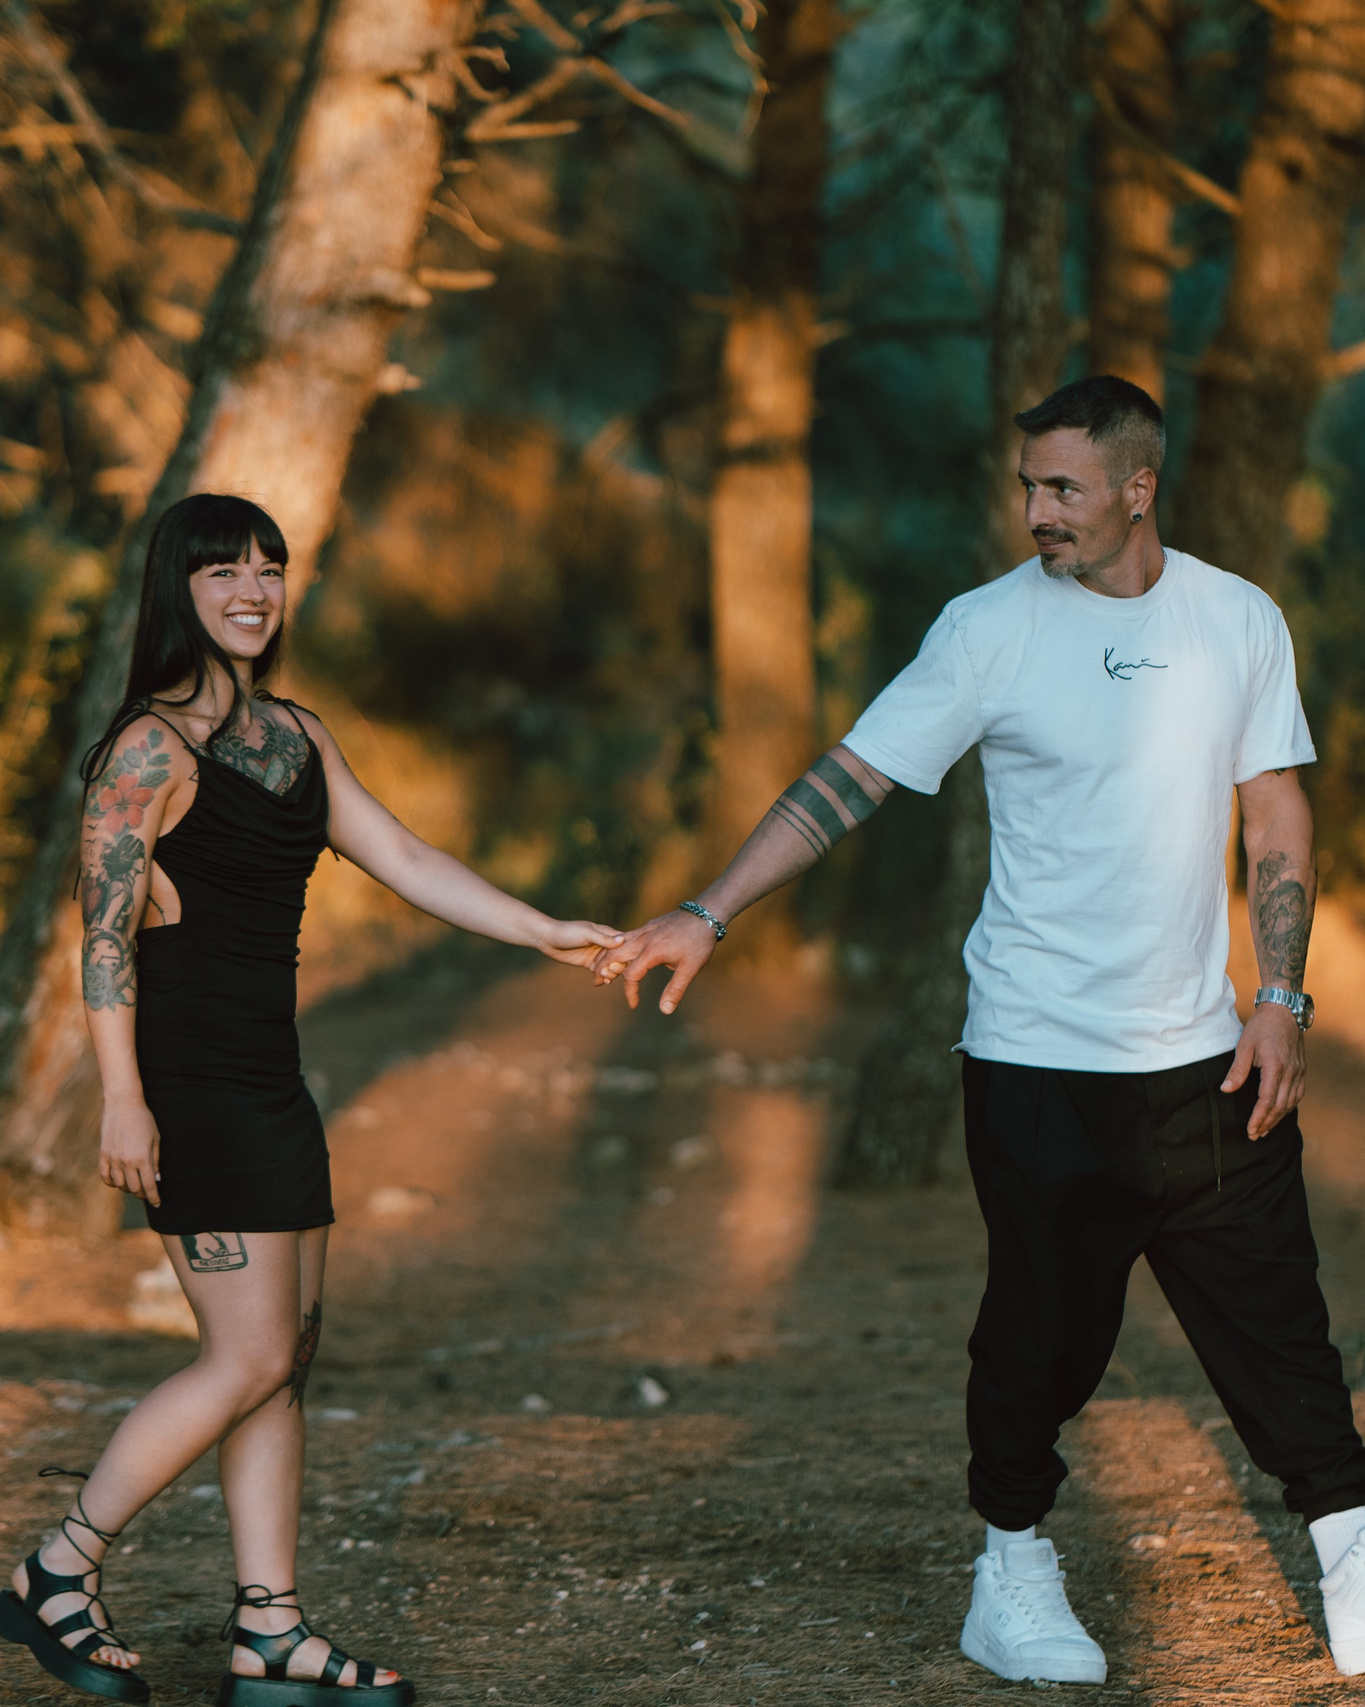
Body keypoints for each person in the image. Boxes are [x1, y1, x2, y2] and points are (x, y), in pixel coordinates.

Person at [593, 374, 1365, 1685]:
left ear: (1137, 485)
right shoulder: (985, 630)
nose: (1035, 513)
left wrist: (1279, 995)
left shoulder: (1234, 616)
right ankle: (1009, 1567)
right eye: (1026, 487)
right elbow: (848, 780)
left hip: (1205, 1060)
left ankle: (1351, 1549)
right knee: (1041, 1335)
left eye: (1061, 487)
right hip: (1037, 1062)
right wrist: (708, 910)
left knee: (1282, 1327)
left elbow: (1277, 810)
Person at [0, 493, 623, 1707]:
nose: (253, 589)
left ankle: (269, 1632)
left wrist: (542, 930)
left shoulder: (297, 736)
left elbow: (407, 859)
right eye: (225, 568)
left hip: (273, 1085)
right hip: (188, 1092)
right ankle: (55, 1568)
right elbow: (105, 938)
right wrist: (121, 1101)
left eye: (271, 570)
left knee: (286, 1364)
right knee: (246, 1356)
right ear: (177, 588)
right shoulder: (147, 751)